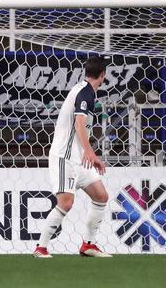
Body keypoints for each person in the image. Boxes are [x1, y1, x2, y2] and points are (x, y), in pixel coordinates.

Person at [33, 57, 112, 258]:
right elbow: (79, 124)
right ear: (103, 75)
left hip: (78, 157)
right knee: (66, 203)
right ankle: (40, 248)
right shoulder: (85, 93)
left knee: (101, 196)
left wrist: (85, 152)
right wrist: (90, 151)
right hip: (64, 156)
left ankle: (88, 245)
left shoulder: (82, 88)